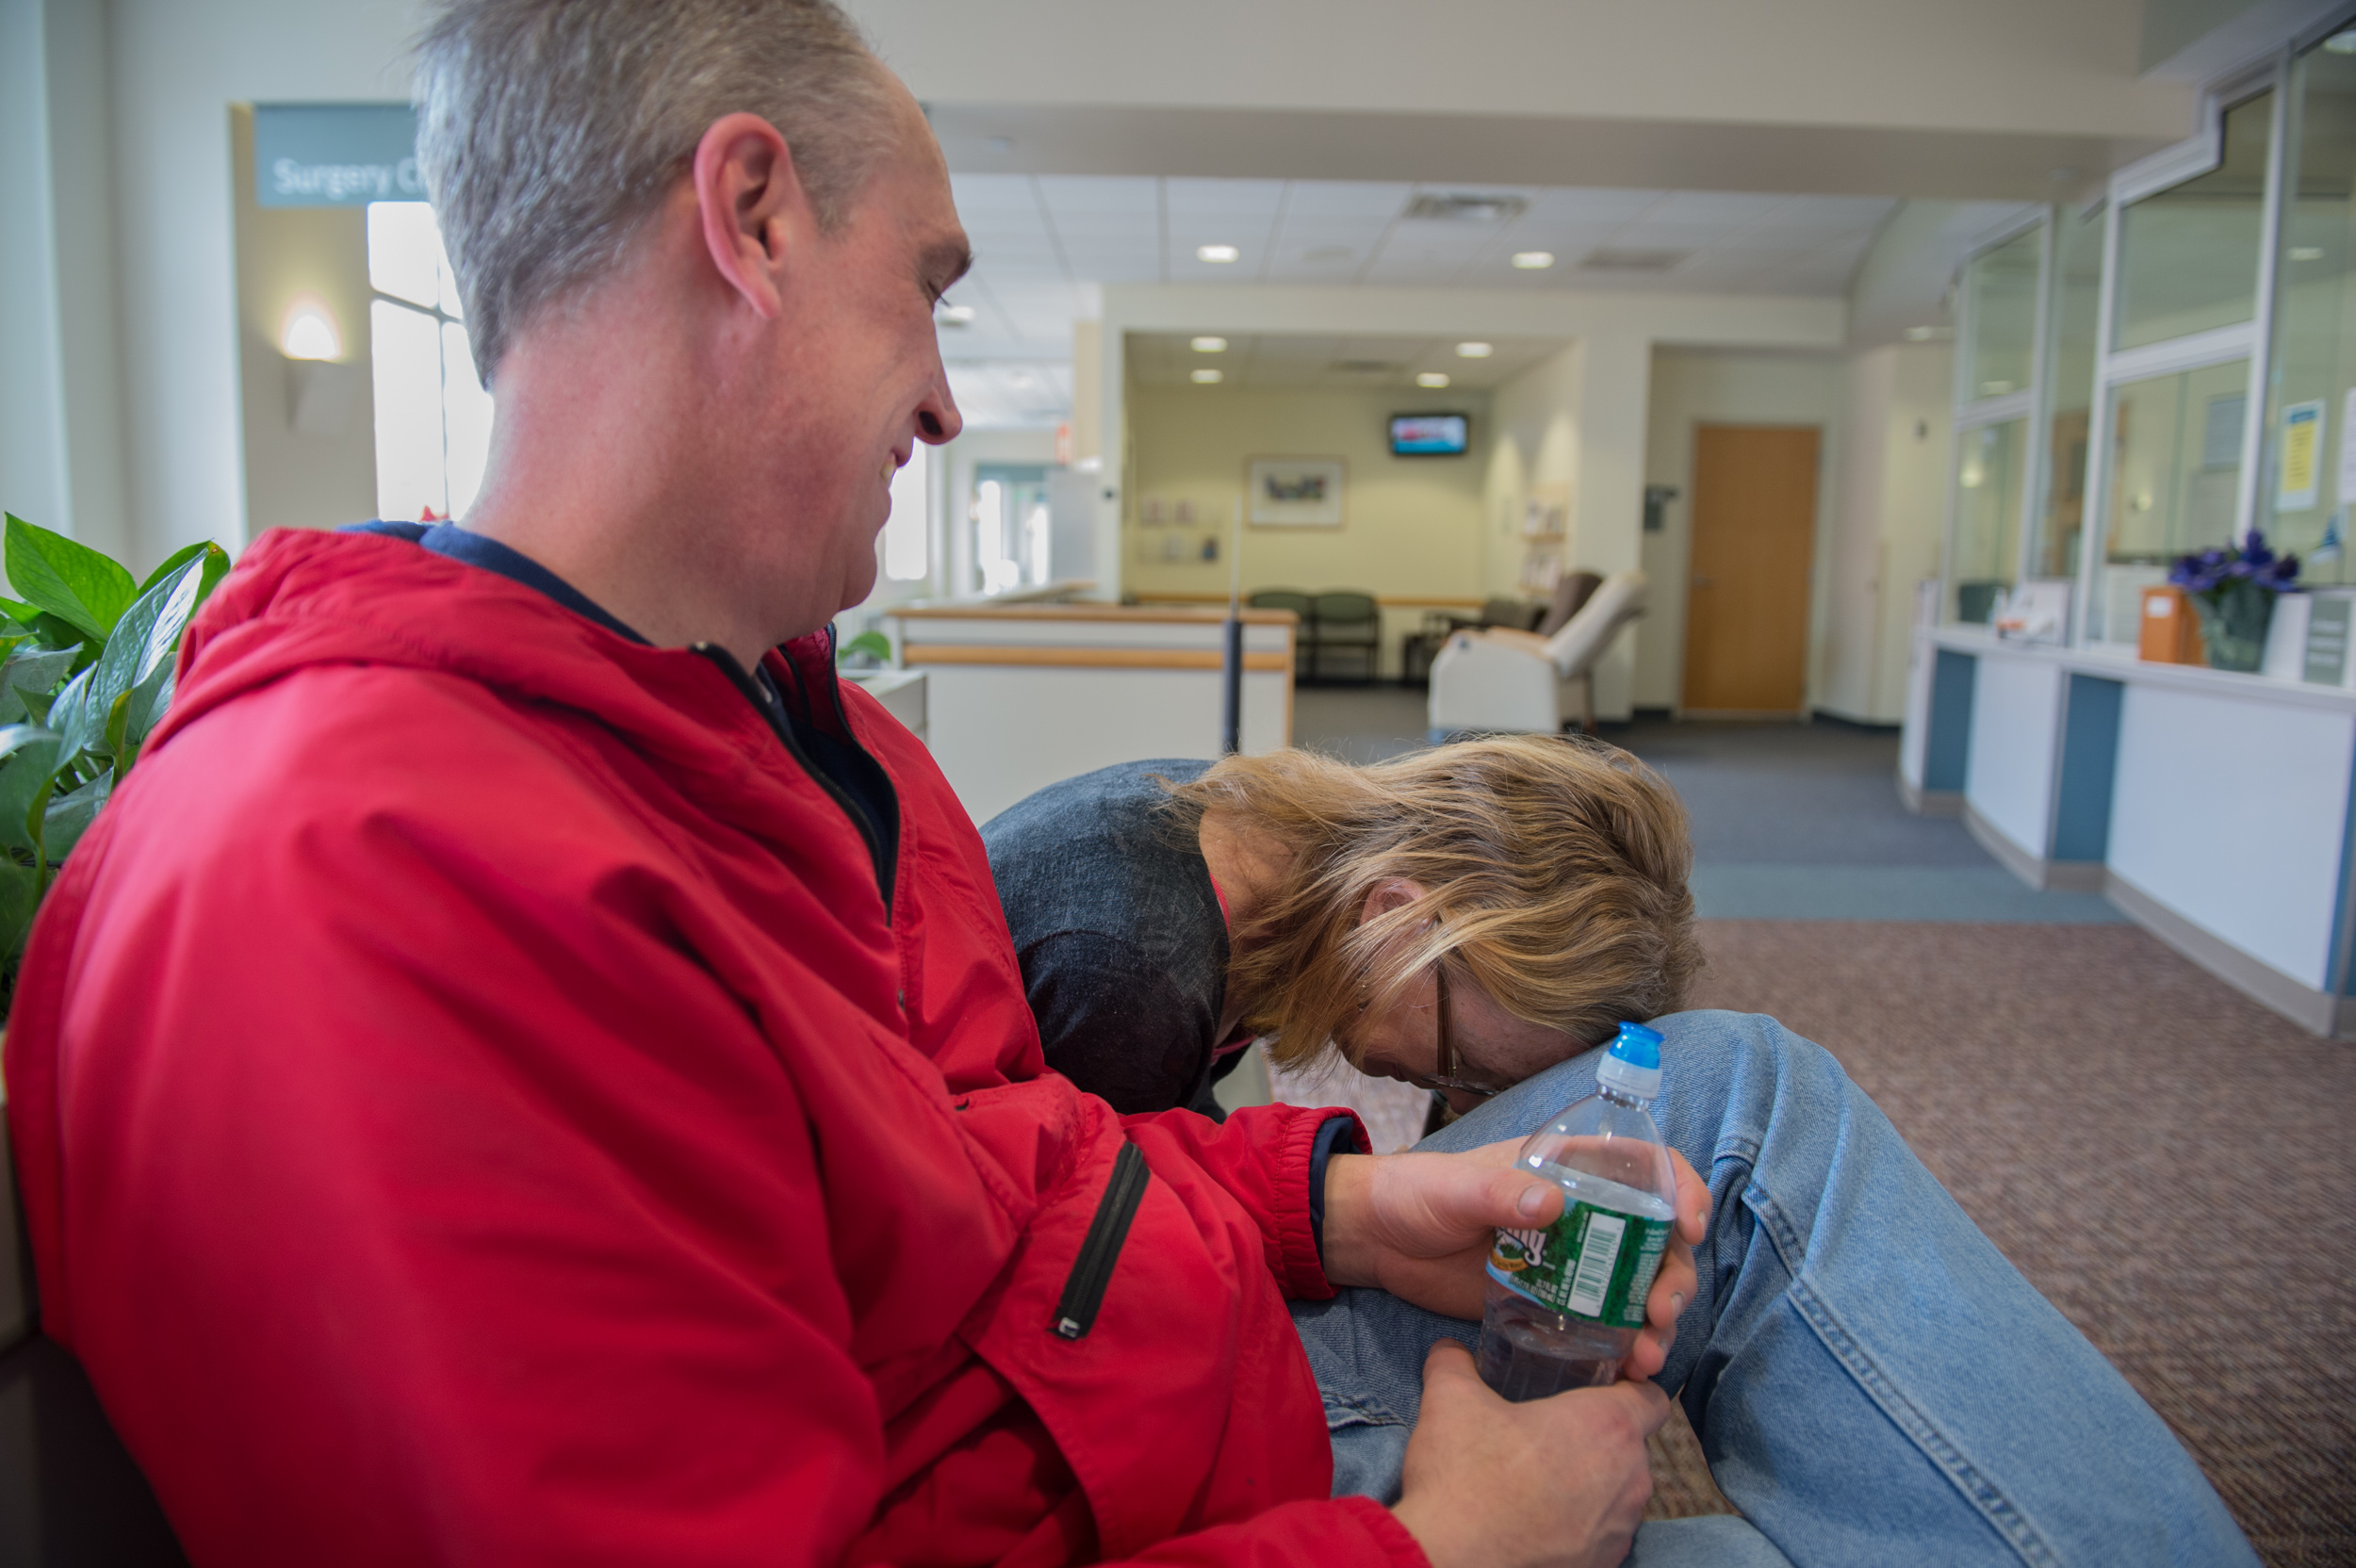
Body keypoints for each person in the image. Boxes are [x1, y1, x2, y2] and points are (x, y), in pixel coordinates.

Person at [0, 4, 2258, 1566]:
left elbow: (989, 1160)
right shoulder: (367, 880)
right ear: (750, 218)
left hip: (1109, 1366)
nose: (954, 404)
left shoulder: (751, 728)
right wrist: (1436, 1542)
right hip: (1111, 1477)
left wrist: (1341, 1211)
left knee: (1731, 1102)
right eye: (932, 290)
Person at [980, 741, 1697, 1119]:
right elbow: (1096, 1243)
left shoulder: (1257, 840)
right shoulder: (1134, 973)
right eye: (1468, 1067)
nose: (1458, 1100)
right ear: (1393, 916)